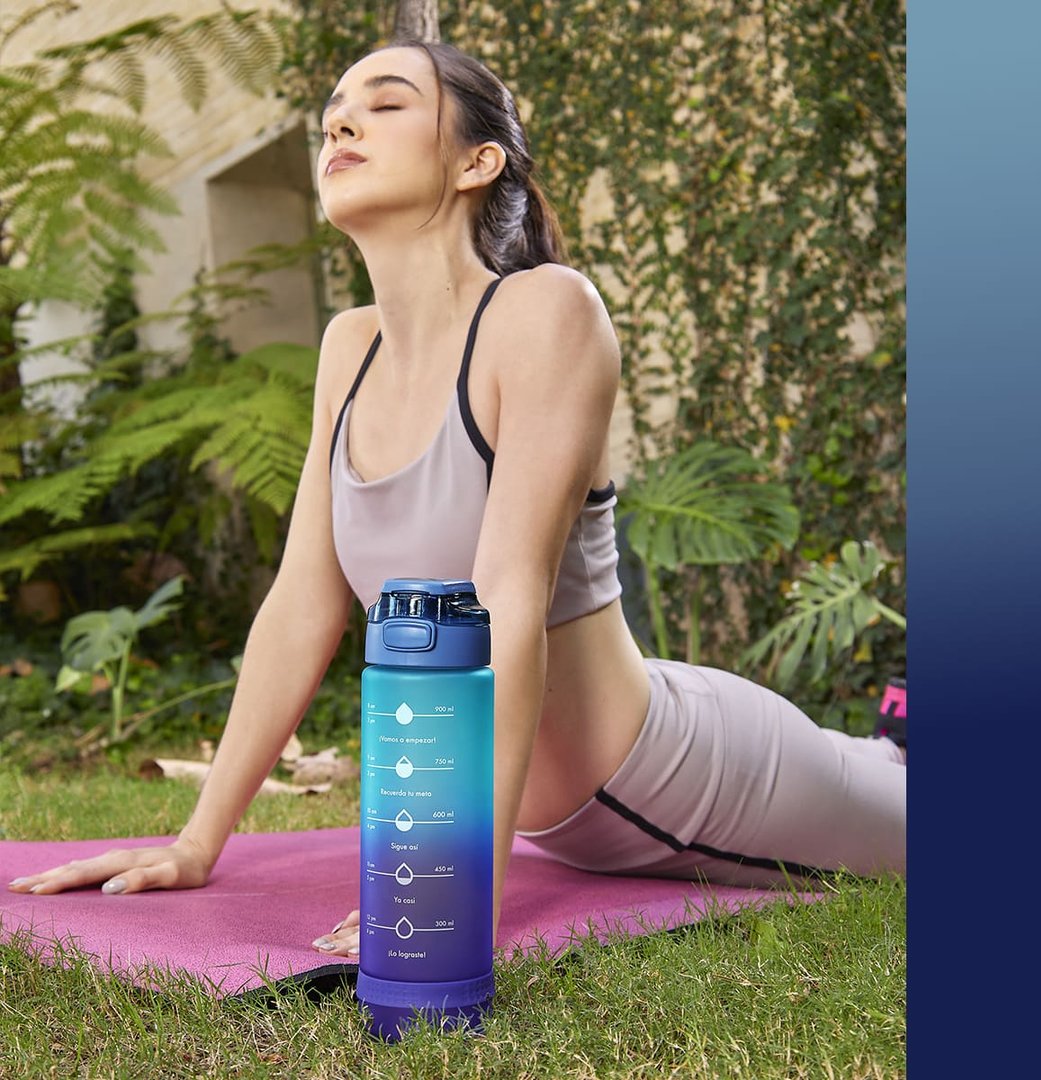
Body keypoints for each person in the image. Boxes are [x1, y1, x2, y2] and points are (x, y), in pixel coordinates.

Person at [7, 41, 906, 959]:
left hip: (677, 776)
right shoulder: (347, 348)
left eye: (387, 104)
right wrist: (198, 843)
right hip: (575, 821)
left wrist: (461, 889)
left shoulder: (546, 311)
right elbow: (301, 604)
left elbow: (506, 593)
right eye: (335, 110)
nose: (341, 122)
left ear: (479, 162)